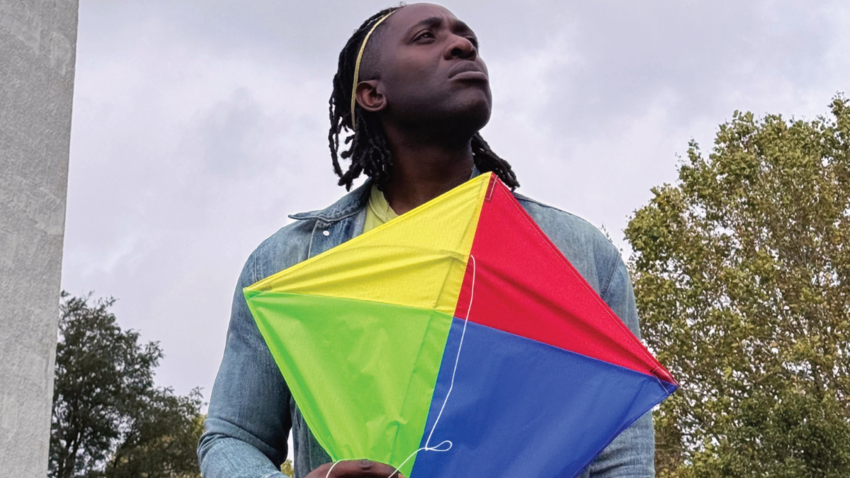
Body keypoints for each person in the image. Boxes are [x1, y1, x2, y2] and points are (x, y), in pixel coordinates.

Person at [197, 3, 655, 477]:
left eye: (467, 38)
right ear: (373, 94)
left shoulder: (577, 253)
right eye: (426, 37)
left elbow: (620, 455)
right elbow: (234, 437)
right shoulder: (289, 262)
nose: (463, 45)